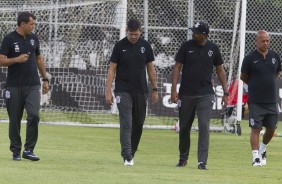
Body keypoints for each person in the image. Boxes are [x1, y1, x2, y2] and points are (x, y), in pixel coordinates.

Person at [171, 21, 228, 170]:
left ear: (204, 35)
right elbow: (177, 67)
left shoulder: (213, 49)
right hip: (186, 94)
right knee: (184, 127)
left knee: (204, 126)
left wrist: (226, 92)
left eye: (196, 32)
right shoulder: (186, 46)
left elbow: (220, 70)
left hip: (206, 94)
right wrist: (174, 90)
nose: (193, 34)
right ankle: (183, 159)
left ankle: (202, 161)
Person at [105, 19, 158, 166]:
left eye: (136, 34)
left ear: (140, 32)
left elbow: (151, 69)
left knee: (139, 124)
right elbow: (112, 69)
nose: (134, 37)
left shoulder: (146, 46)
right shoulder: (119, 46)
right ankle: (127, 155)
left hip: (141, 91)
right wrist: (108, 90)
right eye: (131, 34)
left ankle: (131, 152)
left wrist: (155, 89)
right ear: (127, 31)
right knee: (126, 122)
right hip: (123, 91)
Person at [0, 12, 49, 161]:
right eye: (31, 24)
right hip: (14, 86)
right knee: (15, 119)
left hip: (33, 84)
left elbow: (39, 58)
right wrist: (16, 59)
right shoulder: (9, 39)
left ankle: (29, 150)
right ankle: (16, 151)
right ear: (23, 24)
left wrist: (45, 78)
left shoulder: (34, 39)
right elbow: (1, 60)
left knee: (34, 114)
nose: (33, 27)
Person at [240, 30, 281, 166]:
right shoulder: (249, 58)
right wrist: (255, 85)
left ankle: (263, 148)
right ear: (256, 41)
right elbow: (243, 76)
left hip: (272, 100)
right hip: (256, 100)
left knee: (271, 129)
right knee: (255, 129)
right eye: (262, 41)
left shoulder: (275, 56)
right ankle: (255, 157)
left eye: (267, 41)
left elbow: (276, 73)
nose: (265, 43)